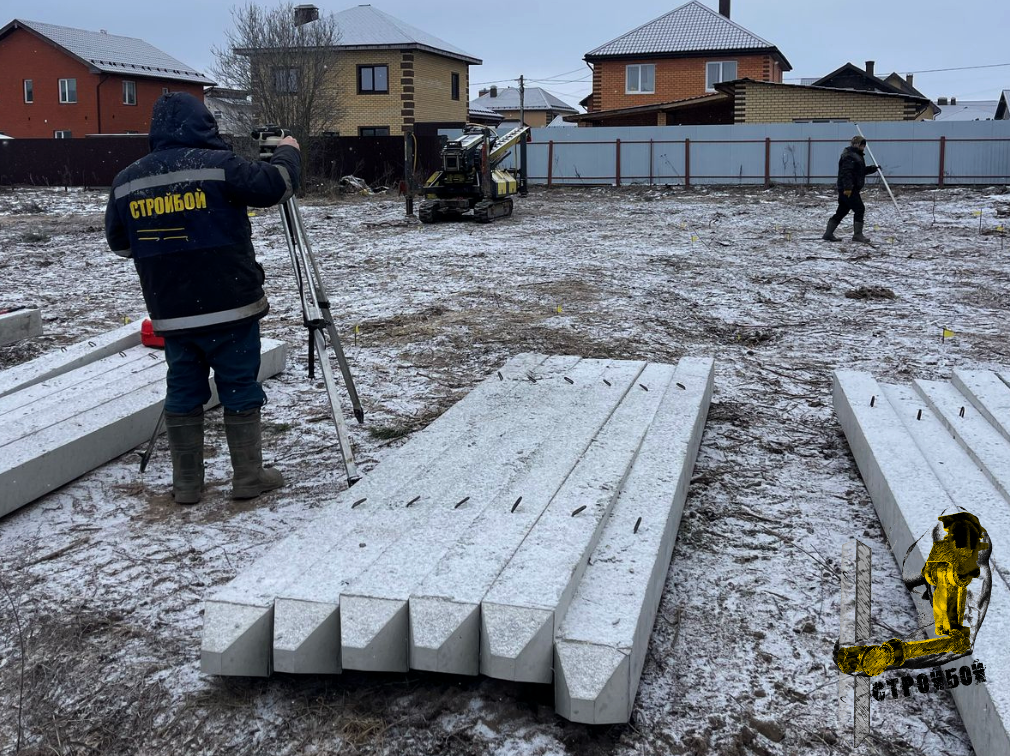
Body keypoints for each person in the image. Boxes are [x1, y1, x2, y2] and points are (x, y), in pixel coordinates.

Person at [105, 92, 301, 505]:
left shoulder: (127, 180)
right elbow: (277, 185)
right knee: (239, 385)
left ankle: (187, 484)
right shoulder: (219, 165)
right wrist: (287, 151)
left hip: (172, 311)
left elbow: (121, 245)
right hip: (230, 303)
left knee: (182, 389)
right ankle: (248, 476)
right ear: (203, 123)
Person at [823, 135, 879, 243]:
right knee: (859, 209)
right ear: (856, 144)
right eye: (862, 145)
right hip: (849, 189)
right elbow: (846, 173)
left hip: (849, 188)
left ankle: (828, 234)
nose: (863, 147)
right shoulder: (849, 156)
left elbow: (859, 171)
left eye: (864, 145)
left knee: (842, 211)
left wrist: (872, 169)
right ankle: (857, 235)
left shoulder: (857, 156)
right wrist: (848, 188)